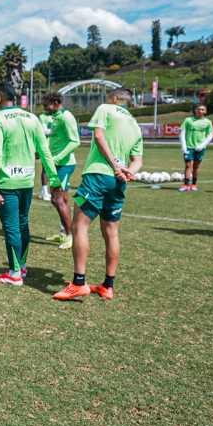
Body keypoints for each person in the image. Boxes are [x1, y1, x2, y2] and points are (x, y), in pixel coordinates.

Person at [53, 88, 144, 302]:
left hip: (98, 176)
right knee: (111, 232)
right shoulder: (135, 125)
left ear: (113, 98)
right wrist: (129, 171)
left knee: (79, 226)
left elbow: (99, 136)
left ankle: (78, 283)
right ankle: (108, 286)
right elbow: (138, 160)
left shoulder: (105, 108)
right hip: (119, 182)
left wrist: (114, 165)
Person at [0, 83, 59, 286]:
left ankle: (15, 273)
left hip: (6, 183)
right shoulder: (31, 117)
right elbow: (44, 150)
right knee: (22, 224)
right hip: (27, 181)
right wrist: (53, 178)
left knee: (11, 227)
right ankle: (22, 266)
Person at [41, 92, 79, 249]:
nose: (44, 109)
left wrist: (57, 158)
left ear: (56, 103)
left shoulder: (66, 117)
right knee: (60, 199)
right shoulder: (55, 117)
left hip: (64, 164)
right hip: (56, 164)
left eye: (46, 105)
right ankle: (64, 232)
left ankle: (71, 236)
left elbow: (75, 141)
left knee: (57, 199)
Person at [179, 104, 213, 192]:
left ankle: (194, 184)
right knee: (188, 165)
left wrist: (202, 145)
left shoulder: (208, 122)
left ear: (205, 111)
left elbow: (210, 135)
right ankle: (186, 185)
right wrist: (183, 146)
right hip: (189, 147)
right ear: (195, 110)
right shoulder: (188, 120)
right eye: (198, 109)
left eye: (202, 109)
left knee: (196, 166)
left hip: (200, 148)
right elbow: (182, 133)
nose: (200, 111)